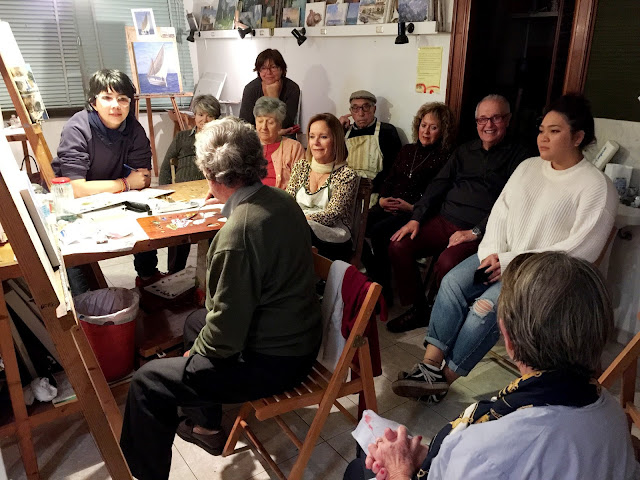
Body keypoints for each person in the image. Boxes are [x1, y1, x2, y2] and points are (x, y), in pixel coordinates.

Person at [120, 117, 322, 480]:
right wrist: (200, 348)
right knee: (195, 321)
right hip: (300, 337)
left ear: (210, 175)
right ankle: (206, 427)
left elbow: (225, 336)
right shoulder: (281, 200)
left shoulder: (239, 233)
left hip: (278, 361)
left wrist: (195, 355)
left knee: (148, 382)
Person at [392, 94, 618, 403]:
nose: (543, 137)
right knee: (452, 283)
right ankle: (429, 367)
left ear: (577, 137)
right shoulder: (528, 167)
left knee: (484, 308)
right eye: (541, 130)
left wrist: (509, 262)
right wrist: (492, 254)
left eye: (554, 131)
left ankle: (443, 381)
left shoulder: (596, 186)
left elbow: (580, 251)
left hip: (540, 277)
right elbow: (499, 213)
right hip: (500, 257)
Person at [344, 252, 640, 480]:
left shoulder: (487, 450)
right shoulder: (611, 413)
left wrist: (400, 468)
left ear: (508, 337)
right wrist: (432, 457)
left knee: (359, 467)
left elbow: (489, 460)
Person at [385, 94, 531, 333]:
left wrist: (475, 232)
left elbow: (512, 204)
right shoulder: (464, 151)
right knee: (399, 245)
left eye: (496, 118)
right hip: (444, 219)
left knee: (447, 262)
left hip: (480, 230)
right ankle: (419, 308)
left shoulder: (521, 157)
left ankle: (441, 311)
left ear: (507, 119)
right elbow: (437, 186)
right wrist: (416, 218)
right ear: (476, 122)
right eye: (482, 119)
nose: (488, 125)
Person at [51, 69, 160, 291]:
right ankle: (83, 300)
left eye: (122, 99)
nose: (115, 105)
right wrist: (125, 184)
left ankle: (149, 279)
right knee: (71, 248)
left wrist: (129, 184)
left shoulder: (134, 129)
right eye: (107, 98)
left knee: (147, 219)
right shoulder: (77, 127)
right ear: (93, 102)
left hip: (113, 199)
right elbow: (75, 188)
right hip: (74, 205)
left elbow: (143, 178)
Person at [363, 102, 456, 303]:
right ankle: (373, 278)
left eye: (433, 127)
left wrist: (413, 208)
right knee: (357, 227)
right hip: (389, 205)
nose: (426, 132)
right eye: (423, 125)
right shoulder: (407, 150)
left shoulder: (445, 158)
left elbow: (438, 195)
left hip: (414, 214)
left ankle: (383, 293)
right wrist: (382, 200)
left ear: (443, 131)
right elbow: (389, 179)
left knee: (379, 233)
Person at [158, 94, 221, 274]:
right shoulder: (183, 137)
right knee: (177, 229)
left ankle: (213, 272)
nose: (204, 120)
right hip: (181, 194)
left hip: (210, 193)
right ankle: (174, 272)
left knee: (216, 229)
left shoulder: (220, 139)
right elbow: (165, 166)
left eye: (209, 115)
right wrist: (164, 193)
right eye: (200, 115)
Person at [286, 113, 358, 261]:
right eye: (312, 136)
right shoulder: (301, 166)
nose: (316, 142)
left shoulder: (346, 174)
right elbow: (288, 202)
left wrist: (300, 219)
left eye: (323, 137)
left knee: (298, 231)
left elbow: (332, 215)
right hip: (297, 230)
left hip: (335, 238)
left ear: (336, 140)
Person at [339, 90, 401, 197]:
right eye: (355, 108)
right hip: (346, 191)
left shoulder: (386, 131)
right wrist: (337, 128)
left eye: (366, 107)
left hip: (375, 192)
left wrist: (372, 186)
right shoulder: (345, 132)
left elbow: (394, 168)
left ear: (374, 109)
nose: (361, 113)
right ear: (351, 112)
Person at [239, 49, 301, 137]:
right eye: (263, 68)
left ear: (282, 69)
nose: (268, 72)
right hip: (256, 136)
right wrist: (269, 134)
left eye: (273, 67)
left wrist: (274, 97)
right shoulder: (251, 89)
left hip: (284, 137)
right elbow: (244, 125)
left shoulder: (292, 88)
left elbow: (285, 123)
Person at [253, 96, 304, 189]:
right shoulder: (247, 146)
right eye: (260, 121)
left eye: (270, 122)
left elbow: (299, 183)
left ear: (279, 125)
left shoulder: (294, 148)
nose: (264, 127)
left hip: (281, 196)